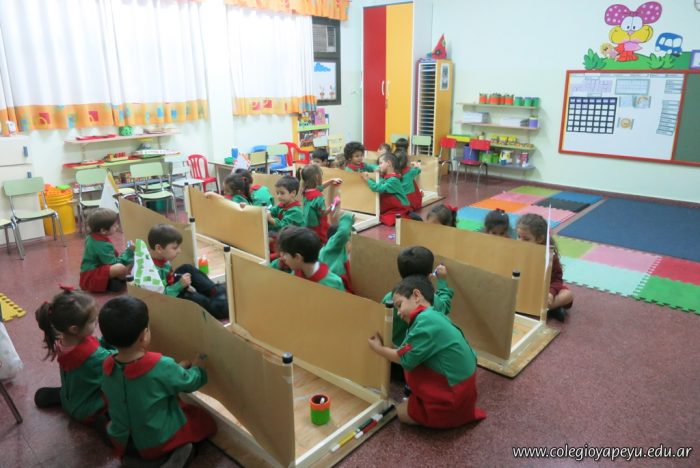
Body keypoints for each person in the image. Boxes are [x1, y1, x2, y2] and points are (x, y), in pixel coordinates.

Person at [99, 296, 216, 465]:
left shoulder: (107, 365)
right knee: (202, 422)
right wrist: (198, 367)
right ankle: (173, 458)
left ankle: (136, 460)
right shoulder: (161, 365)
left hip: (122, 439)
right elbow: (191, 382)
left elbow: (147, 382)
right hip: (156, 442)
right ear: (143, 336)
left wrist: (176, 369)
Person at [368, 275, 486, 428]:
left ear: (416, 296)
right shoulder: (432, 314)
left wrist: (378, 348)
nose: (398, 313)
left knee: (401, 413)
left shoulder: (425, 322)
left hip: (453, 397)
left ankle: (444, 415)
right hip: (462, 390)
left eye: (399, 305)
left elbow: (403, 358)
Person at [34, 287, 112, 429]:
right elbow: (117, 360)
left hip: (71, 393)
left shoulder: (62, 341)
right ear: (74, 329)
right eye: (92, 321)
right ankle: (101, 425)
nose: (96, 322)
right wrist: (117, 342)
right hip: (86, 410)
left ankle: (64, 399)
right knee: (120, 395)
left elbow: (96, 345)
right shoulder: (92, 354)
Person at [147, 224, 228, 320]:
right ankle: (219, 306)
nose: (179, 251)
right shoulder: (150, 272)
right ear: (159, 248)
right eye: (174, 248)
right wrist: (179, 285)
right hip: (167, 298)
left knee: (187, 268)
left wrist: (179, 281)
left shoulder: (158, 256)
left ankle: (214, 291)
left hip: (170, 285)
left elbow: (169, 277)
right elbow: (160, 298)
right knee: (193, 298)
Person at [381, 246, 453, 348]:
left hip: (391, 350)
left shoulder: (389, 298)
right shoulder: (431, 300)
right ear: (429, 277)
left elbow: (379, 322)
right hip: (416, 352)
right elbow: (445, 306)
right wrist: (442, 281)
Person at [516, 213, 574, 322]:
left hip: (543, 293)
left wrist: (551, 293)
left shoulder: (550, 256)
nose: (520, 241)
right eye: (518, 237)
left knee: (568, 295)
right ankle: (545, 309)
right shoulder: (515, 251)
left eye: (526, 239)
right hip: (523, 292)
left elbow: (557, 281)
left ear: (540, 239)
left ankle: (542, 308)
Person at [79, 208, 133, 293]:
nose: (117, 226)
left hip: (92, 271)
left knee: (124, 267)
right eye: (114, 225)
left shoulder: (91, 237)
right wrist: (129, 252)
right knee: (121, 267)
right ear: (103, 230)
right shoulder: (102, 245)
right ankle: (112, 281)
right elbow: (114, 263)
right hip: (93, 276)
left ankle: (114, 280)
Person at [277, 226, 346, 291]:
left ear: (298, 257)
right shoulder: (296, 272)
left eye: (285, 254)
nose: (283, 258)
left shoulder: (334, 284)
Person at [360, 152, 411, 226]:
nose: (379, 166)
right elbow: (381, 182)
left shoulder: (394, 180)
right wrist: (377, 174)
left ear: (388, 163)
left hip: (401, 208)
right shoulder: (387, 177)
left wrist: (367, 180)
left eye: (381, 163)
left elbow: (378, 188)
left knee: (387, 219)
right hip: (392, 208)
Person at [300, 164, 342, 244]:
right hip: (318, 227)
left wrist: (331, 180)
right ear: (317, 177)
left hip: (307, 225)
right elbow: (323, 214)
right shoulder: (318, 197)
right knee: (324, 241)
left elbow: (320, 187)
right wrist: (334, 204)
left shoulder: (305, 190)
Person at [319, 207, 355, 292]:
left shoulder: (330, 249)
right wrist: (346, 216)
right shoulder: (331, 249)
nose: (352, 245)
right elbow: (343, 233)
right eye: (350, 240)